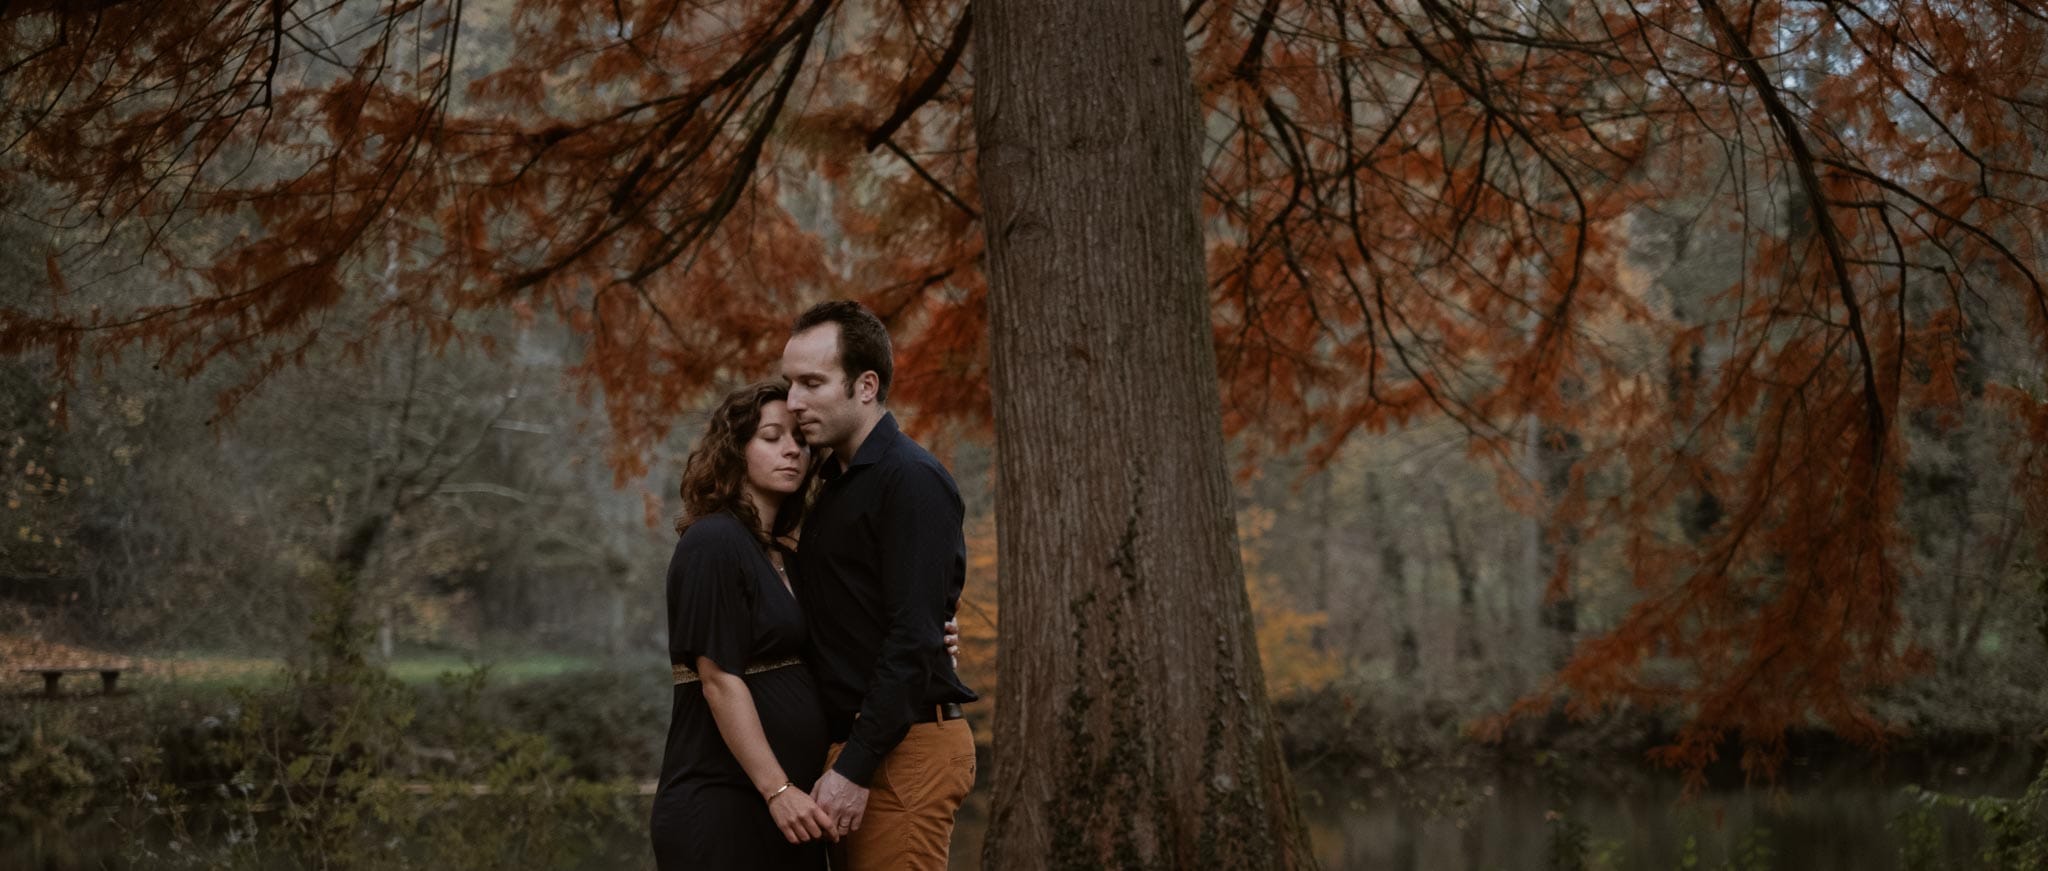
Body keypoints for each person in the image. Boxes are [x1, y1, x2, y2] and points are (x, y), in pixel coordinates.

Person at [781, 300, 980, 870]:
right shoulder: (832, 483)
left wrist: (854, 767)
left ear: (865, 386)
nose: (794, 402)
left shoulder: (911, 480)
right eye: (790, 383)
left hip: (904, 749)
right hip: (861, 746)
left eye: (812, 382)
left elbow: (914, 635)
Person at [650, 382, 835, 871]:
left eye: (799, 438)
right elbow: (718, 680)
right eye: (772, 436)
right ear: (735, 451)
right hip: (724, 804)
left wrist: (931, 635)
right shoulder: (713, 541)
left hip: (790, 810)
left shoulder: (786, 556)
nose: (792, 449)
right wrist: (777, 790)